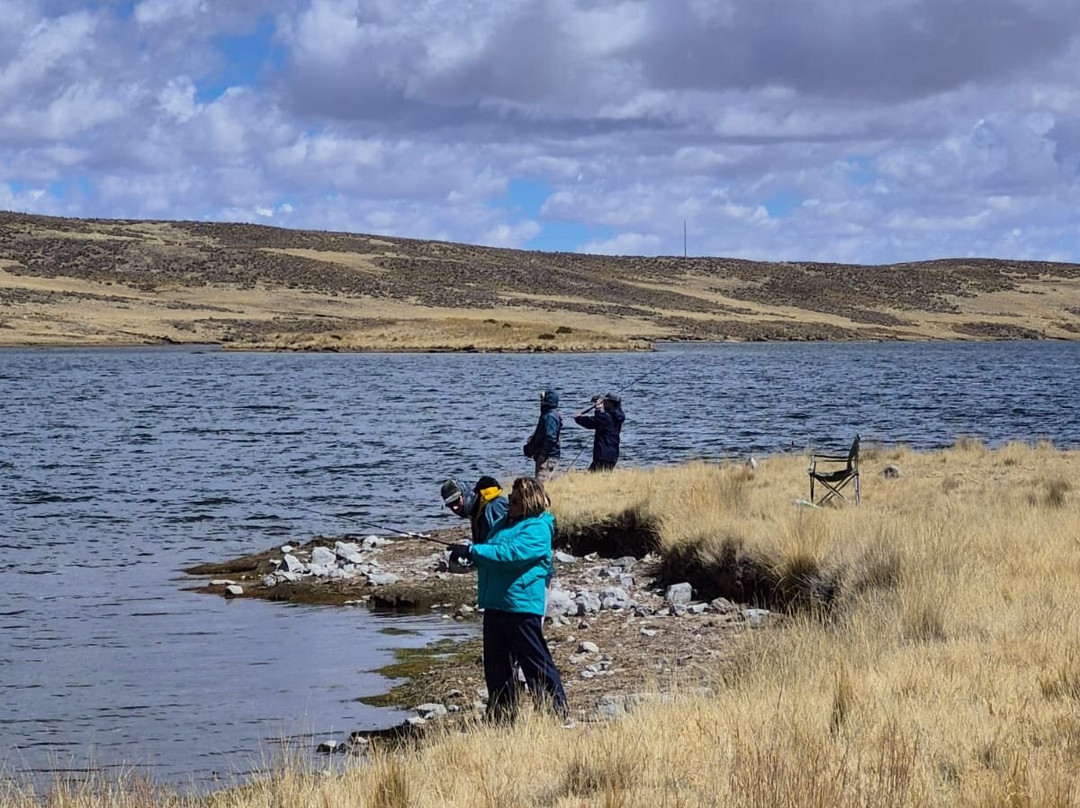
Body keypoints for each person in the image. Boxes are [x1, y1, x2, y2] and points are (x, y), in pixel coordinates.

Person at [449, 477, 568, 722]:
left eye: (514, 501)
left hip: (521, 607)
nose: (508, 504)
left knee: (535, 664)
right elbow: (491, 550)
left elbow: (509, 554)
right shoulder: (505, 522)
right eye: (511, 499)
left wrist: (473, 551)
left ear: (527, 502)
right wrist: (471, 556)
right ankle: (502, 718)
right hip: (495, 604)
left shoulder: (537, 528)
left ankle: (557, 715)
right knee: (496, 669)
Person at [440, 476, 509, 544]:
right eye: (450, 505)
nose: (455, 508)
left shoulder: (494, 506)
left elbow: (506, 546)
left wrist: (469, 551)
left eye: (456, 501)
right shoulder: (475, 513)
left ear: (465, 493)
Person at [574, 393, 624, 472]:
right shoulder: (617, 416)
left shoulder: (606, 417)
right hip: (613, 454)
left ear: (611, 403)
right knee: (604, 477)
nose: (603, 403)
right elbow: (598, 420)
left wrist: (578, 418)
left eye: (605, 401)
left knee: (592, 477)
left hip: (602, 454)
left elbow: (591, 422)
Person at [522, 389, 561, 482]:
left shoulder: (550, 416)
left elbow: (551, 438)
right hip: (548, 456)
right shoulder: (549, 414)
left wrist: (543, 454)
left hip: (547, 457)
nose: (541, 402)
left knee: (542, 483)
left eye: (542, 399)